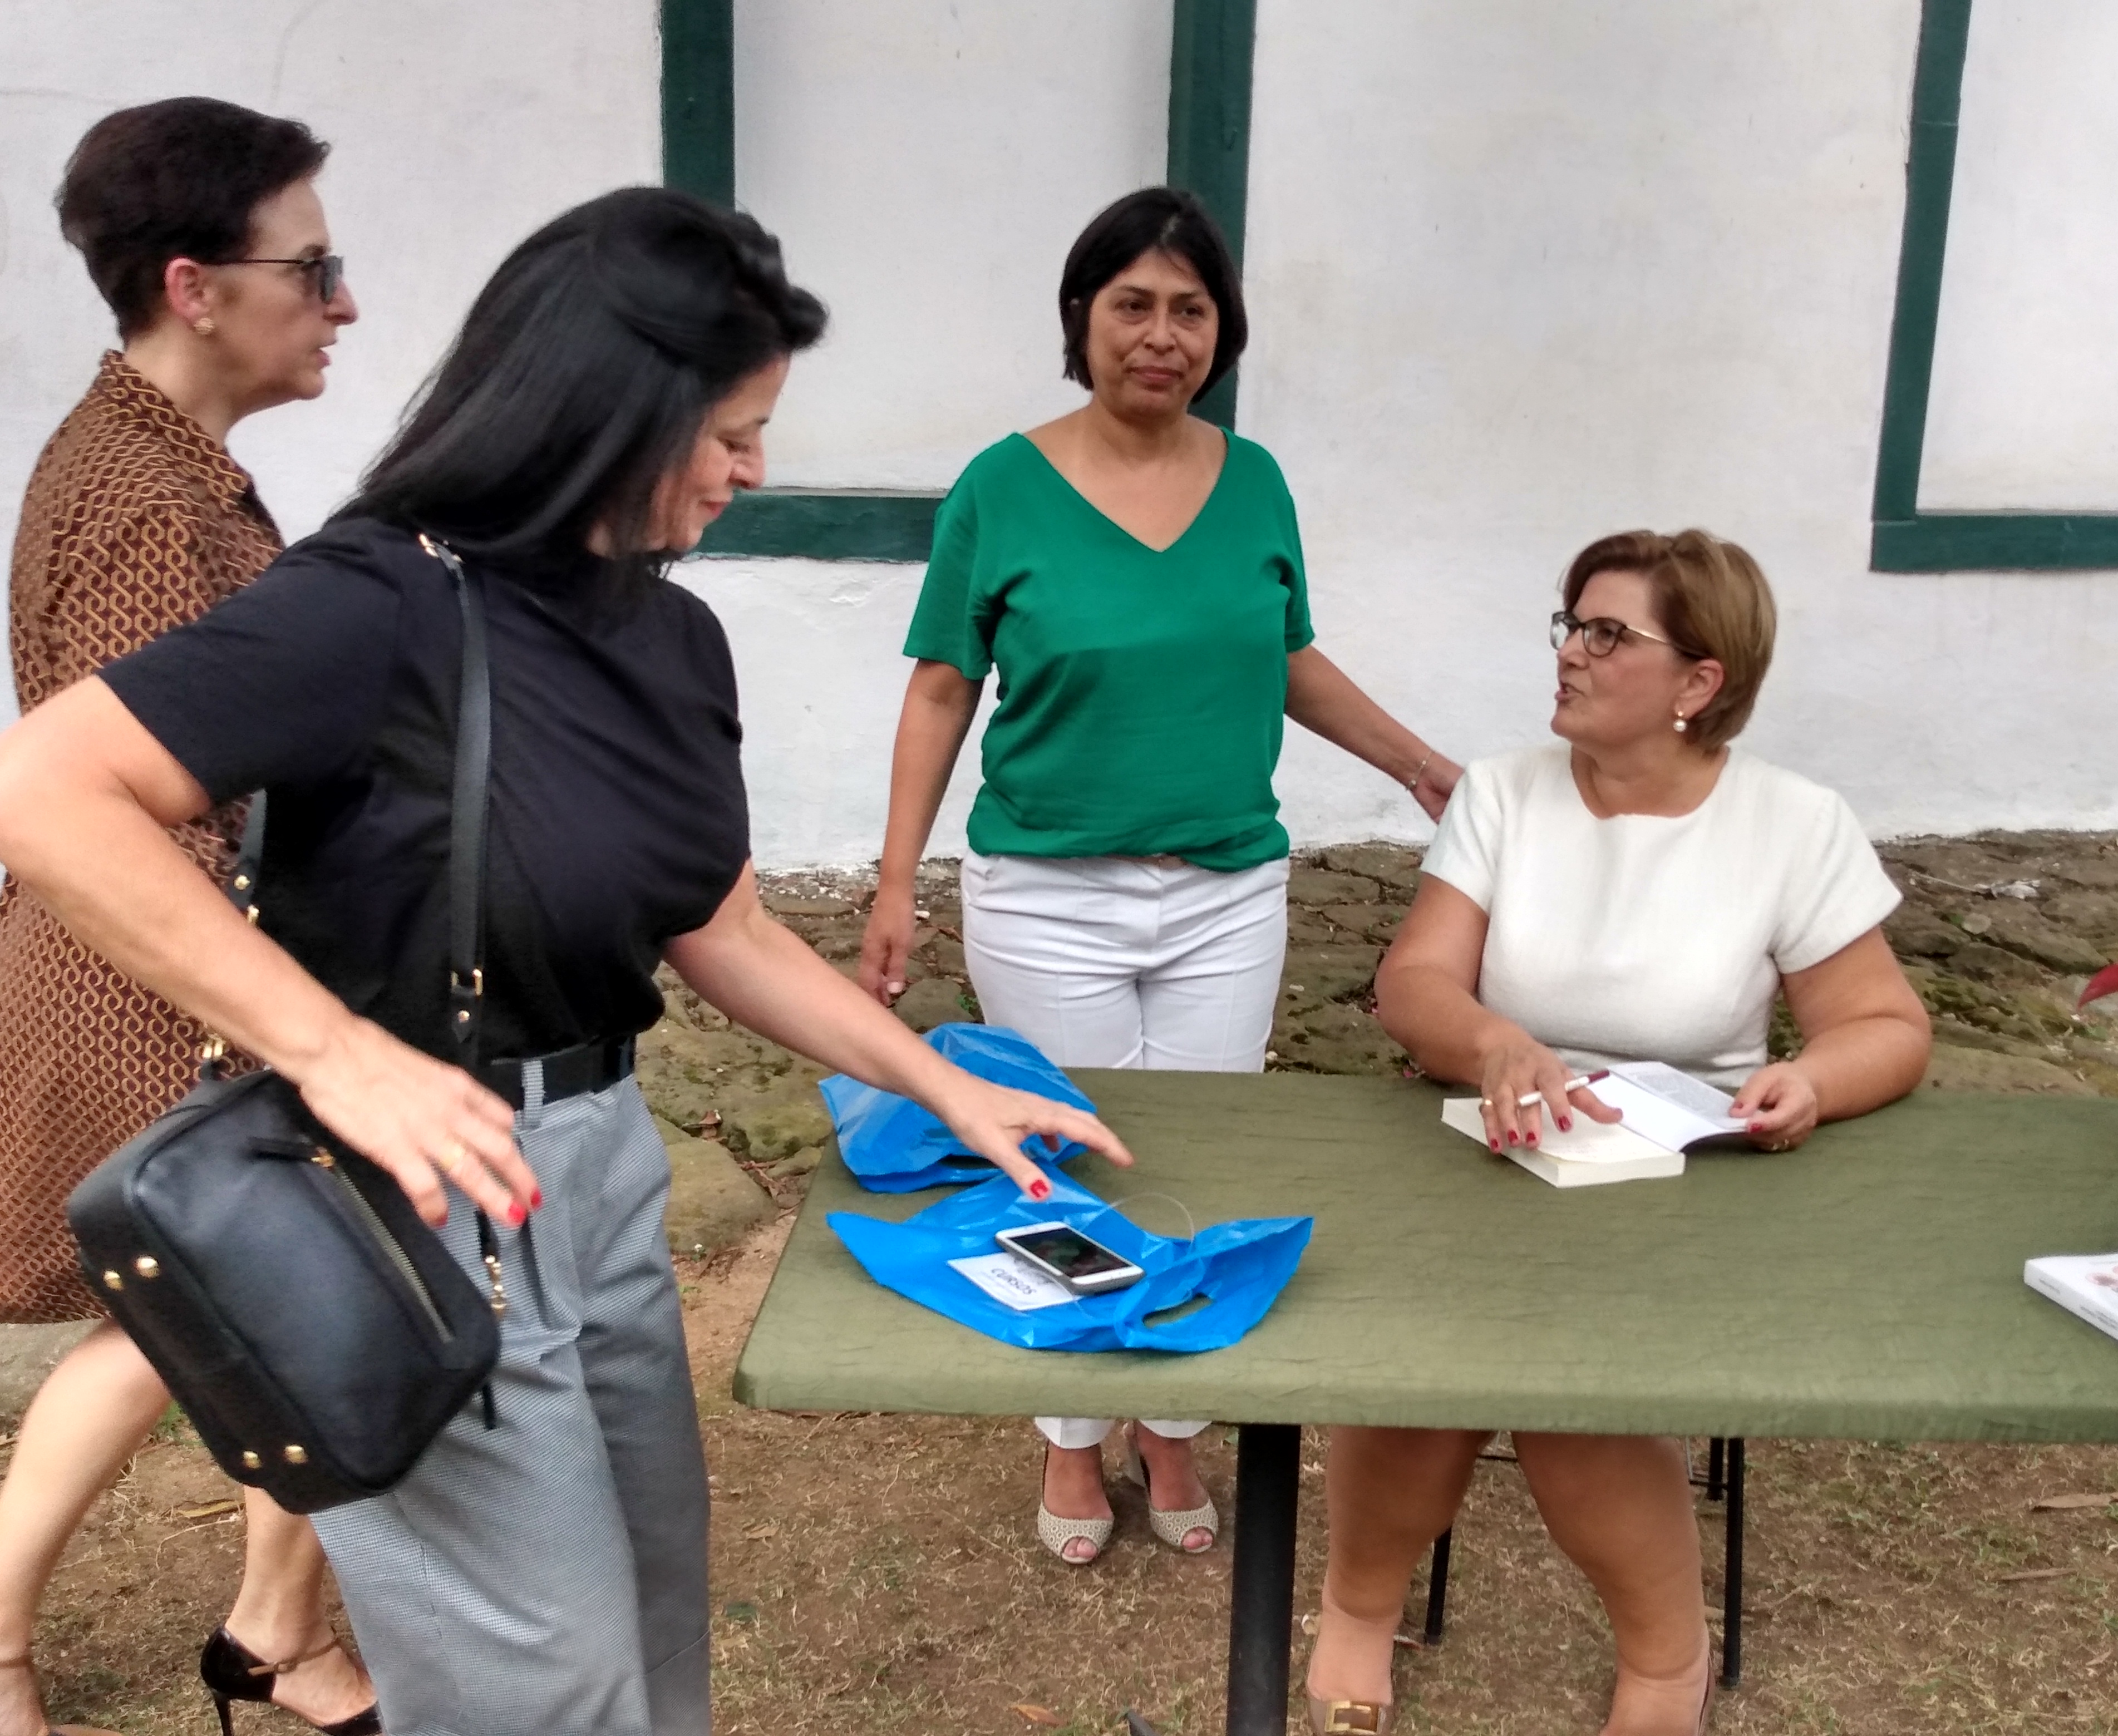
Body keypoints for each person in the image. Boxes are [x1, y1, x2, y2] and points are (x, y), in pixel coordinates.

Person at [0, 185, 1130, 1736]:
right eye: (729, 431)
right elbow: (48, 790)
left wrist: (941, 1081)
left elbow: (718, 926)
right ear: (604, 410)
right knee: (546, 1689)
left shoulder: (674, 643)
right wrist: (337, 1051)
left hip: (597, 1168)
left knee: (655, 1636)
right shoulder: (382, 602)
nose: (754, 471)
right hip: (415, 1194)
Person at [855, 186, 1462, 1566]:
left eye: (1191, 309)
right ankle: (1074, 1440)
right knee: (1063, 1163)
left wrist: (1413, 761)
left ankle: (1175, 1420)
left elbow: (1285, 654)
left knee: (1200, 1148)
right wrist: (898, 881)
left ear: (1221, 331)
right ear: (1082, 318)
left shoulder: (1253, 481)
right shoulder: (1000, 488)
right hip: (1048, 894)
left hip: (1226, 894)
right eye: (1132, 303)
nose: (1161, 333)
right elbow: (942, 690)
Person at [1306, 529, 1930, 1736]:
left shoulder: (1791, 822)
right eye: (1569, 625)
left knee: (1565, 1389)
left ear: (1699, 681)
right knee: (1416, 1352)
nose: (1570, 655)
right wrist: (1491, 1040)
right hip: (1497, 1143)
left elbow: (1884, 1026)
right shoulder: (1503, 792)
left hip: (1685, 1183)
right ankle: (1356, 1609)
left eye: (1608, 634)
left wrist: (1810, 1080)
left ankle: (1661, 1663)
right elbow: (1414, 984)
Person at [0, 98, 375, 1736]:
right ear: (195, 285)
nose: (342, 301)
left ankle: (282, 1627)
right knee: (183, 1315)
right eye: (316, 265)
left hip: (188, 966)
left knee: (277, 1290)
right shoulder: (147, 502)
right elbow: (132, 796)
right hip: (153, 979)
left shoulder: (164, 466)